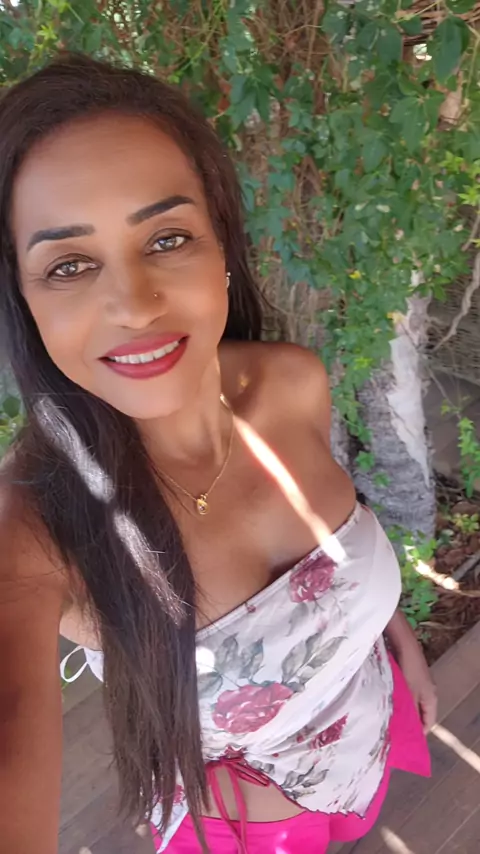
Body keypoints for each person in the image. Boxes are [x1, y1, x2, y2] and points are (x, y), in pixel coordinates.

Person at [0, 55, 436, 854]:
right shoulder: (34, 532)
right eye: (68, 265)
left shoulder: (290, 383)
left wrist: (383, 626)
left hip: (372, 736)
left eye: (167, 238)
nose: (134, 305)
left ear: (222, 247)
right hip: (248, 828)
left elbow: (333, 544)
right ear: (22, 301)